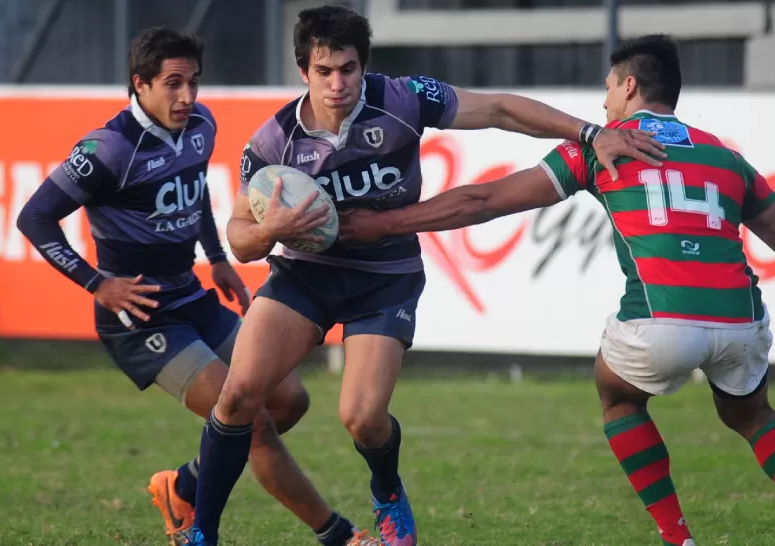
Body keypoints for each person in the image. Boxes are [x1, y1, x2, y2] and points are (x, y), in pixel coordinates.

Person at [337, 34, 775, 546]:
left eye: (606, 89)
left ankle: (677, 536)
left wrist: (386, 224)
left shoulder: (602, 150)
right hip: (741, 321)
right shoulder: (726, 157)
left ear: (628, 87)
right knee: (753, 414)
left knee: (617, 394)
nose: (602, 108)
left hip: (659, 323)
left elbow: (482, 201)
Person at [182, 6, 667, 546]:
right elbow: (240, 238)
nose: (338, 84)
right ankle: (202, 533)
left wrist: (589, 132)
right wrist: (270, 228)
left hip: (383, 275)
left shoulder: (404, 99)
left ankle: (386, 489)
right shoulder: (274, 141)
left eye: (348, 69)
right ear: (304, 71)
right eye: (324, 72)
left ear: (363, 66)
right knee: (238, 396)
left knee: (363, 419)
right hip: (304, 276)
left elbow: (501, 109)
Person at [16, 26, 380, 546]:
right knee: (249, 423)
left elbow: (192, 196)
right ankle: (337, 535)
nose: (187, 96)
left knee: (289, 401)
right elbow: (34, 219)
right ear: (139, 84)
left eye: (193, 82)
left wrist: (217, 258)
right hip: (141, 318)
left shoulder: (201, 124)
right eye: (172, 84)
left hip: (191, 296)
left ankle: (182, 485)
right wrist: (99, 284)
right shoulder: (107, 149)